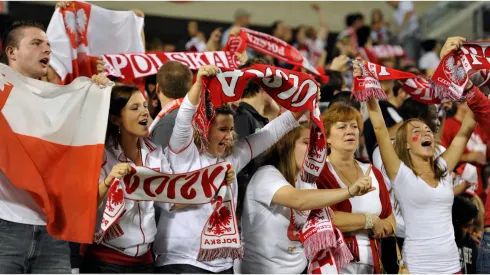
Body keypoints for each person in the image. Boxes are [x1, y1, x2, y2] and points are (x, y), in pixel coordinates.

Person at [153, 65, 308, 273]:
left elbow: (271, 133)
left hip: (224, 263)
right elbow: (184, 118)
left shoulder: (232, 157)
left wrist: (304, 103)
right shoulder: (184, 152)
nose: (229, 136)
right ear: (204, 128)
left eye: (231, 129)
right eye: (222, 129)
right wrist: (199, 83)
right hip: (183, 260)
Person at [0, 20, 110, 273]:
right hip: (6, 227)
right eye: (36, 43)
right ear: (11, 52)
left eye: (49, 44)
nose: (47, 49)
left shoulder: (63, 102)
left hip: (55, 231)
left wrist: (96, 93)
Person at [355, 57, 476, 273]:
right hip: (418, 267)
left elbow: (464, 132)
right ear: (407, 146)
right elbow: (380, 129)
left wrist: (476, 88)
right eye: (416, 132)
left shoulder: (442, 168)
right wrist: (366, 86)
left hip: (451, 266)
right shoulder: (401, 174)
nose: (426, 133)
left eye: (427, 129)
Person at [235, 121, 375, 274]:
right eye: (306, 143)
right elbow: (299, 200)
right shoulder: (265, 175)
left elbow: (328, 215)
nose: (313, 150)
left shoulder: (305, 180)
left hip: (300, 269)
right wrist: (349, 191)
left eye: (315, 145)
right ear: (286, 145)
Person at [316, 103, 395, 274]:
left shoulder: (372, 170)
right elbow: (328, 220)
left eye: (354, 126)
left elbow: (391, 222)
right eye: (342, 127)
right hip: (334, 264)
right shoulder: (319, 172)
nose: (350, 131)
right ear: (327, 137)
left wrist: (361, 223)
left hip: (372, 263)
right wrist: (371, 221)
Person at [233, 57, 274, 218]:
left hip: (257, 201)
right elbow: (239, 167)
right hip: (248, 207)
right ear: (263, 84)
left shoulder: (255, 118)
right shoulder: (241, 116)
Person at [441, 101, 489, 203]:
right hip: (457, 188)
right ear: (459, 103)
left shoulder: (478, 128)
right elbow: (441, 159)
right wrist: (468, 157)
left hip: (479, 188)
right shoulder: (448, 125)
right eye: (471, 101)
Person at [150, 61, 193, 149]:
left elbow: (160, 161)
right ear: (189, 89)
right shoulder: (198, 114)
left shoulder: (166, 122)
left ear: (157, 88)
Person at [364, 81, 407, 161]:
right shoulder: (382, 110)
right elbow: (385, 135)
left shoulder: (398, 111)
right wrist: (410, 119)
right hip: (381, 161)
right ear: (401, 92)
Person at [453, 195, 479, 274]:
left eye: (471, 225)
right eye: (466, 226)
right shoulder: (442, 244)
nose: (469, 231)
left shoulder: (471, 244)